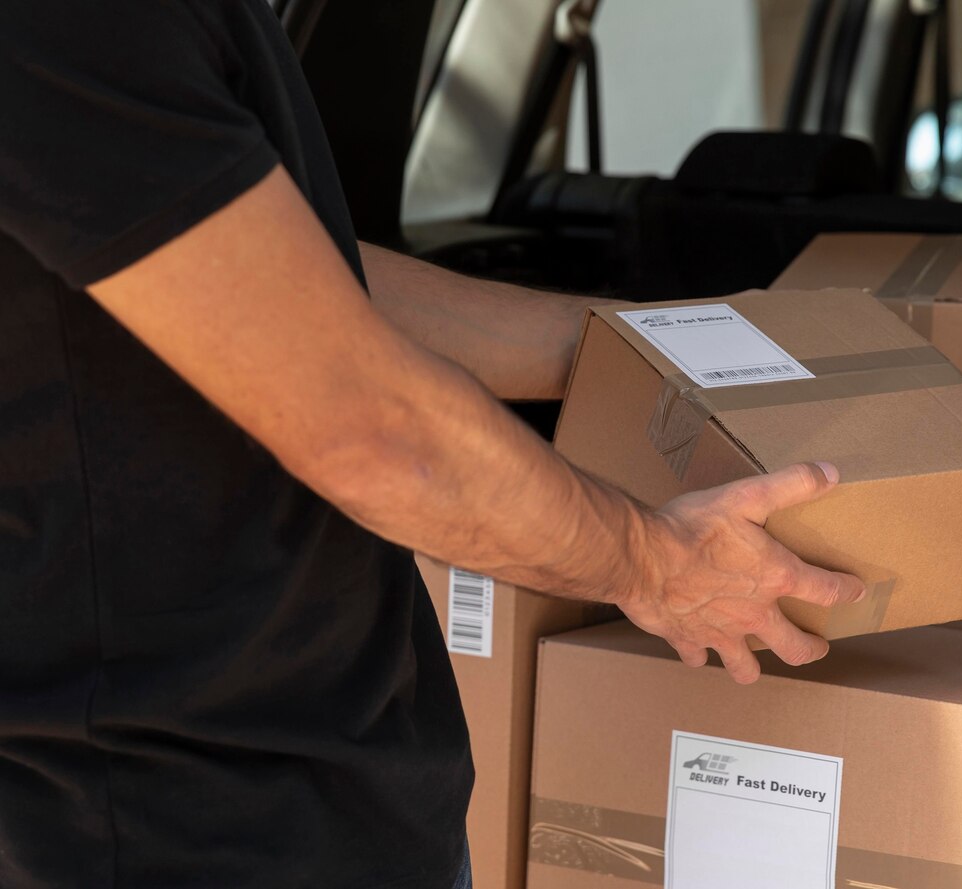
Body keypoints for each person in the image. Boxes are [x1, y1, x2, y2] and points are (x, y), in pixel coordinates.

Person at [0, 2, 866, 887]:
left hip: (343, 791)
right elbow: (368, 423)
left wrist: (646, 349)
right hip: (165, 822)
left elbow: (297, 283)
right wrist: (659, 566)